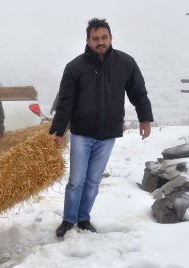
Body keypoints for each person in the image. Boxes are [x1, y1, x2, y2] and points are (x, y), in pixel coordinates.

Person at [50, 18, 153, 238]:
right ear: (87, 40)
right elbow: (65, 101)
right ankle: (69, 220)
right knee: (76, 180)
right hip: (81, 133)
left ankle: (83, 218)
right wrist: (58, 131)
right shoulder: (75, 67)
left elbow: (138, 93)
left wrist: (145, 118)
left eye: (104, 37)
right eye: (95, 38)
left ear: (110, 38)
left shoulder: (125, 63)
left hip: (108, 134)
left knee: (93, 181)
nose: (100, 42)